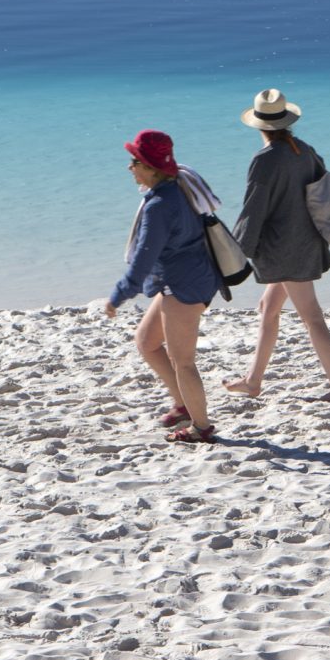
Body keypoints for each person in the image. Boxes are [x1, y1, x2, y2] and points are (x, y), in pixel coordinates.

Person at [223, 89, 330, 405]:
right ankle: (253, 381)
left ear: (259, 126)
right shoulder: (304, 150)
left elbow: (254, 207)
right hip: (306, 240)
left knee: (312, 317)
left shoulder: (265, 160)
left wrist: (237, 251)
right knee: (268, 308)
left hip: (286, 248)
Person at [104, 129, 219, 443]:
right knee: (146, 341)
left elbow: (143, 259)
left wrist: (118, 296)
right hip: (187, 277)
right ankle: (183, 404)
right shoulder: (179, 185)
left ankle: (202, 427)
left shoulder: (159, 206)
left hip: (185, 284)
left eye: (135, 161)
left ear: (150, 167)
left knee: (184, 361)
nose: (130, 168)